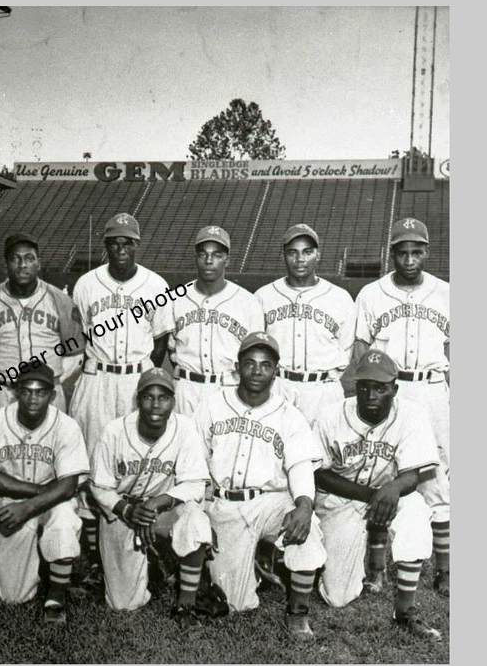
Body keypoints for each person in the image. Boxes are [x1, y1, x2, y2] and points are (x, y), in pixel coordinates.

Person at [195, 332, 327, 641]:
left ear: (275, 371)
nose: (257, 371)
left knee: (307, 525)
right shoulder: (211, 406)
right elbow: (196, 463)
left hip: (270, 501)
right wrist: (200, 513)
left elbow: (300, 466)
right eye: (250, 363)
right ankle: (255, 562)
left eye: (266, 365)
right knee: (235, 603)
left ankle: (298, 613)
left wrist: (304, 504)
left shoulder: (289, 415)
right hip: (225, 505)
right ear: (237, 367)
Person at [68, 212, 173, 592]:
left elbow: (160, 342)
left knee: (137, 459)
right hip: (97, 377)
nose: (121, 248)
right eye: (114, 242)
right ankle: (94, 557)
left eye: (128, 242)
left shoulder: (156, 285)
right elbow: (79, 334)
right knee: (95, 460)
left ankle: (144, 544)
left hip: (136, 379)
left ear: (137, 244)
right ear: (106, 245)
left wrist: (142, 377)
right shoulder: (86, 284)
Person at [313, 349, 441, 640]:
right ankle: (330, 558)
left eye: (380, 388)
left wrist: (393, 489)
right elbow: (319, 473)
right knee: (338, 597)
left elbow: (413, 475)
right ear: (355, 386)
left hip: (390, 493)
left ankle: (405, 611)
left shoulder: (412, 415)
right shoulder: (331, 415)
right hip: (343, 497)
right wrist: (374, 496)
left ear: (394, 389)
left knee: (415, 511)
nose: (371, 395)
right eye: (364, 386)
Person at [353, 218, 450, 596]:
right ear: (391, 253)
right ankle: (377, 569)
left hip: (431, 388)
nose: (409, 260)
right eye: (402, 252)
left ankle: (444, 569)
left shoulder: (446, 292)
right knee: (382, 471)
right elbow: (361, 350)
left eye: (417, 252)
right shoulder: (371, 294)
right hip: (389, 391)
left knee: (436, 477)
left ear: (427, 252)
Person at [88, 368, 214, 623]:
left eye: (163, 397)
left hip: (163, 509)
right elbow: (99, 486)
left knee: (196, 520)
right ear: (138, 400)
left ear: (173, 401)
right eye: (149, 396)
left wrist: (155, 504)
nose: (156, 404)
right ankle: (155, 562)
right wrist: (127, 511)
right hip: (123, 512)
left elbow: (195, 484)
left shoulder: (185, 428)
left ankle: (186, 603)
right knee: (123, 604)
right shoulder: (114, 431)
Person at [0, 364, 89, 624]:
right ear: (15, 391)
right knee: (13, 596)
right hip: (17, 498)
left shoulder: (66, 426)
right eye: (27, 391)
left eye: (41, 392)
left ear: (52, 395)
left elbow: (68, 487)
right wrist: (35, 494)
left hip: (55, 500)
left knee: (64, 519)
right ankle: (38, 561)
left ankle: (56, 597)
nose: (33, 398)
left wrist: (28, 507)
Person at [156, 225, 265, 416]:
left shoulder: (248, 302)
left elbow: (255, 353)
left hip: (228, 388)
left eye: (217, 255)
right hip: (186, 389)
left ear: (227, 260)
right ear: (195, 257)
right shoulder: (176, 299)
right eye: (203, 254)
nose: (209, 260)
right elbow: (170, 348)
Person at [256, 224, 355, 423]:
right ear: (283, 256)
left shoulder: (340, 297)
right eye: (292, 252)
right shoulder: (264, 296)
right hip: (278, 386)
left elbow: (346, 348)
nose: (300, 259)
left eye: (307, 252)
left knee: (323, 443)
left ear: (318, 255)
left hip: (323, 390)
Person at [0, 233, 83, 413]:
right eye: (15, 259)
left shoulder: (59, 299)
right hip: (2, 391)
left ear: (38, 263)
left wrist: (53, 378)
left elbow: (76, 351)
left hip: (46, 391)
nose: (23, 265)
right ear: (6, 264)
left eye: (29, 258)